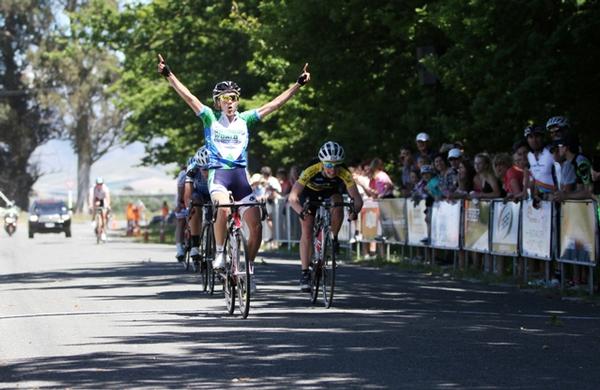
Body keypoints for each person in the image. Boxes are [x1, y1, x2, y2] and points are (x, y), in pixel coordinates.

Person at [158, 54, 311, 285]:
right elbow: (189, 97)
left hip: (240, 178)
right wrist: (169, 75)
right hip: (218, 175)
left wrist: (297, 85)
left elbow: (275, 104)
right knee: (223, 207)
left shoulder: (246, 120)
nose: (230, 101)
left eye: (234, 98)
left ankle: (248, 267)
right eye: (224, 98)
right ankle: (220, 252)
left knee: (256, 226)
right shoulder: (210, 118)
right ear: (218, 102)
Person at [288, 141, 363, 292]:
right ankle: (304, 273)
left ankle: (333, 237)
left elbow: (357, 199)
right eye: (328, 165)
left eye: (336, 165)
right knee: (307, 229)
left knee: (339, 202)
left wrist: (354, 211)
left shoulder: (344, 172)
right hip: (309, 193)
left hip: (331, 192)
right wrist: (301, 211)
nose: (333, 170)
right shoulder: (311, 169)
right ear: (322, 163)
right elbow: (292, 197)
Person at [184, 146, 212, 269]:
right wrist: (189, 207)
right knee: (195, 205)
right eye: (203, 169)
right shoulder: (192, 168)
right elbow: (188, 194)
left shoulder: (219, 166)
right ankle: (195, 245)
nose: (206, 172)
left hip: (214, 192)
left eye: (209, 169)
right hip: (199, 193)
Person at [88, 176, 111, 241]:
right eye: (98, 184)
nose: (99, 185)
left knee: (104, 214)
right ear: (96, 184)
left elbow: (107, 197)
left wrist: (108, 205)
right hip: (96, 199)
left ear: (102, 184)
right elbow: (91, 198)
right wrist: (90, 206)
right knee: (94, 207)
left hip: (103, 200)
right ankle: (93, 219)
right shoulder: (92, 189)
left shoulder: (105, 188)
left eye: (101, 184)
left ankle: (103, 232)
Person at [174, 162, 188, 261]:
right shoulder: (183, 175)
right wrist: (180, 203)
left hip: (195, 197)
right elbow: (180, 191)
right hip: (182, 198)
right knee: (181, 221)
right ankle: (179, 248)